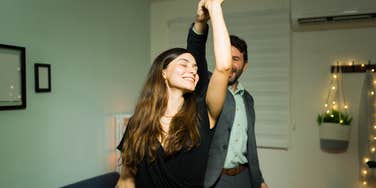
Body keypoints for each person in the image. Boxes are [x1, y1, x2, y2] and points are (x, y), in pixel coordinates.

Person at [116, 0, 231, 187]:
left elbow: (224, 67)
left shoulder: (204, 113)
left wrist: (214, 7)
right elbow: (126, 179)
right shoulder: (139, 121)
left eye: (195, 68)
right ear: (163, 72)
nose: (192, 71)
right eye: (183, 64)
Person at [187, 2, 269, 188]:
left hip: (244, 177)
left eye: (236, 59)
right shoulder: (207, 85)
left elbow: (251, 144)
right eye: (227, 57)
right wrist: (200, 23)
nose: (230, 64)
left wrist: (259, 180)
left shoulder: (247, 99)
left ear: (244, 65)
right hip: (215, 179)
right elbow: (195, 52)